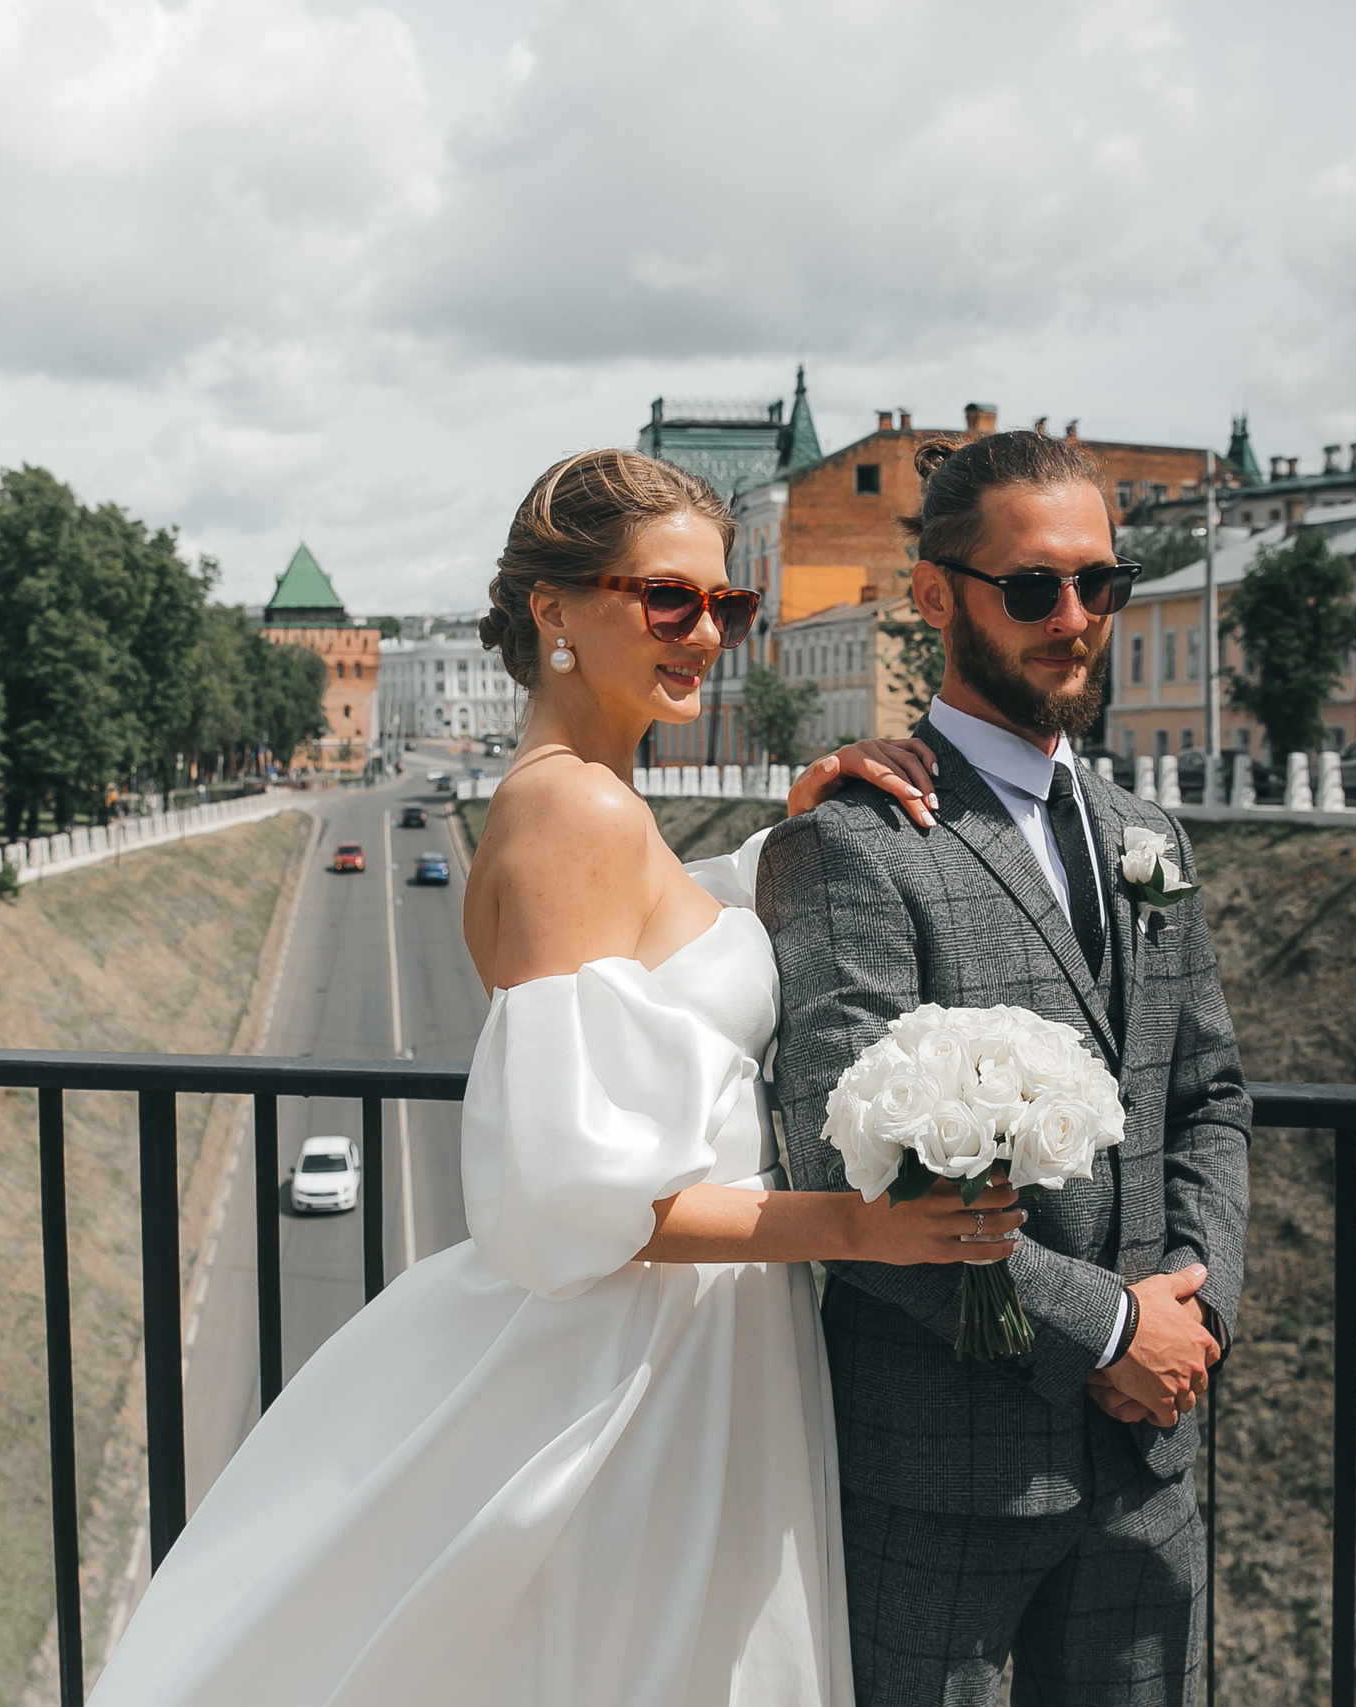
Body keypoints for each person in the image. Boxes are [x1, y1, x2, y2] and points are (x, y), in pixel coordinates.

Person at [89, 448, 996, 1707]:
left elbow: (667, 952)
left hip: (688, 1340)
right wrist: (861, 1228)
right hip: (641, 1366)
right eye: (666, 600)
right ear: (552, 609)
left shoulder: (579, 802)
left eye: (726, 607)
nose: (708, 636)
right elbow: (577, 1200)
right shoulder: (580, 813)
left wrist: (793, 830)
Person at [759, 431, 1252, 1707]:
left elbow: (1208, 1096)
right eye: (1032, 587)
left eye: (1104, 584)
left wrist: (1194, 1312)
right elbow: (841, 1164)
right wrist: (1106, 1330)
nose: (1075, 618)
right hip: (944, 1475)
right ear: (936, 597)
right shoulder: (857, 844)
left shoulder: (1148, 836)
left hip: (1150, 1461)